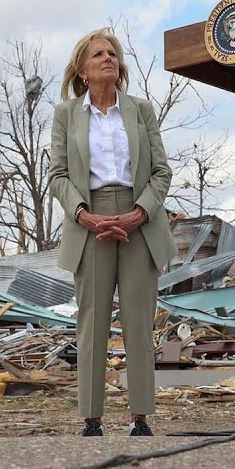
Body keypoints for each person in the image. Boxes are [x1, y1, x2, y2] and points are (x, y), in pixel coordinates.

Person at [49, 28, 178, 437]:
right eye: (98, 54)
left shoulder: (140, 110)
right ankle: (91, 417)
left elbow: (161, 171)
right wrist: (84, 214)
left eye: (112, 54)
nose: (108, 58)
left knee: (139, 321)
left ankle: (140, 415)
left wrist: (140, 212)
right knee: (93, 321)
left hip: (139, 218)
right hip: (90, 222)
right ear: (83, 71)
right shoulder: (66, 114)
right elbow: (57, 176)